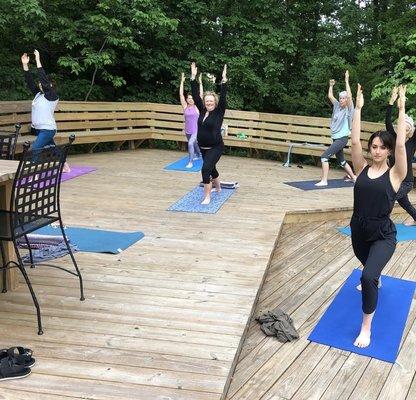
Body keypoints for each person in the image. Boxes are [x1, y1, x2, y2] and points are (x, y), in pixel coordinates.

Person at [349, 84, 407, 348]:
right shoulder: (360, 168)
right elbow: (353, 140)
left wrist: (402, 108)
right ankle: (375, 274)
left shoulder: (395, 175)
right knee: (367, 265)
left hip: (383, 233)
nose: (377, 151)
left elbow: (402, 148)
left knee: (367, 276)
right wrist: (358, 109)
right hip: (358, 229)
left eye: (383, 147)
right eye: (373, 146)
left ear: (388, 151)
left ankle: (366, 328)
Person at [21, 50, 70, 172]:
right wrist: (25, 65)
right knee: (52, 147)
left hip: (47, 129)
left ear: (50, 86)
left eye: (42, 84)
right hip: (39, 129)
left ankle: (32, 172)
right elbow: (29, 81)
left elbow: (43, 80)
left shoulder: (52, 96)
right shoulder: (38, 95)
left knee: (36, 148)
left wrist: (38, 60)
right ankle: (64, 165)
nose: (40, 84)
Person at [190, 62, 227, 205]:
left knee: (206, 169)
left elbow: (223, 96)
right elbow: (195, 95)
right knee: (212, 168)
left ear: (215, 102)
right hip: (203, 147)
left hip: (215, 147)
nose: (209, 103)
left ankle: (207, 197)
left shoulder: (219, 112)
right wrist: (193, 78)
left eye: (211, 101)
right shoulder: (202, 110)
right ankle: (218, 188)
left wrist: (224, 81)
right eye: (207, 101)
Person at [316, 71, 356, 186]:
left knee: (324, 157)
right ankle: (353, 177)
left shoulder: (349, 108)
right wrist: (331, 86)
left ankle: (324, 181)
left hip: (341, 139)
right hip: (335, 137)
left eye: (343, 98)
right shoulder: (337, 105)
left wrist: (347, 80)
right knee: (341, 161)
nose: (342, 99)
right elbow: (330, 96)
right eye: (341, 98)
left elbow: (349, 96)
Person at [386, 87, 416, 226]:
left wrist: (403, 101)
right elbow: (387, 123)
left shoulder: (412, 142)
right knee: (405, 204)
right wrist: (391, 103)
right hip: (393, 179)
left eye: (407, 127)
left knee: (389, 198)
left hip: (406, 181)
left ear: (410, 131)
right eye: (402, 125)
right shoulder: (393, 138)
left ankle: (381, 221)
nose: (404, 128)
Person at [179, 72, 201, 168]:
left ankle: (190, 162)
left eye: (192, 98)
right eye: (189, 98)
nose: (190, 99)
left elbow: (200, 94)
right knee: (194, 144)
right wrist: (182, 82)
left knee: (190, 143)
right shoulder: (185, 107)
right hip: (187, 130)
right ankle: (199, 155)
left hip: (196, 130)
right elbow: (181, 94)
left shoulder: (197, 107)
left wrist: (200, 83)